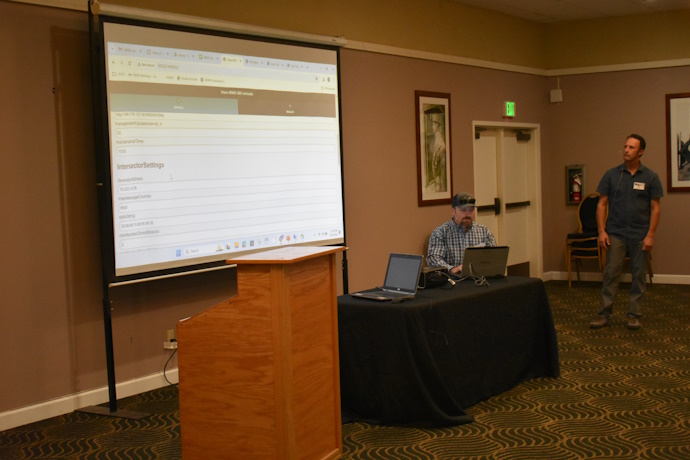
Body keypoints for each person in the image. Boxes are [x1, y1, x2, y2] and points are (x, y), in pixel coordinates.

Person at [590, 134, 662, 331]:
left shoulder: (650, 177)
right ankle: (604, 314)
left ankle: (634, 315)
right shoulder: (612, 175)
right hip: (616, 232)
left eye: (631, 148)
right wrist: (601, 231)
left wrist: (650, 235)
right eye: (625, 146)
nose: (626, 150)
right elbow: (601, 204)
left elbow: (655, 208)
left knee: (638, 275)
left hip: (640, 234)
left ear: (640, 152)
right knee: (611, 273)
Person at [427, 192, 496, 275]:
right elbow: (433, 259)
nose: (467, 214)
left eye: (471, 210)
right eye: (463, 210)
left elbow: (494, 258)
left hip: (480, 277)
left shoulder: (484, 231)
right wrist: (452, 269)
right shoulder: (441, 233)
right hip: (454, 280)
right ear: (453, 211)